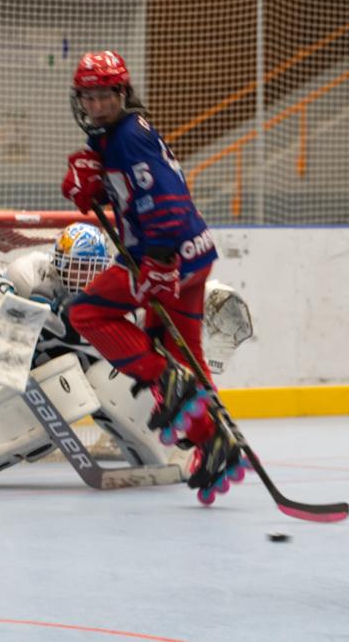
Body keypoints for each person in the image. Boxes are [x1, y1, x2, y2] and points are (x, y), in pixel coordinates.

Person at [59, 50, 239, 500]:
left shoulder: (127, 138)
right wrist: (95, 183)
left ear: (123, 93)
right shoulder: (120, 134)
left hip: (165, 258)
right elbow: (133, 190)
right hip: (191, 255)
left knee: (86, 314)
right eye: (89, 98)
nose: (97, 105)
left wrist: (159, 259)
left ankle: (165, 376)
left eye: (106, 95)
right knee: (181, 350)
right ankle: (216, 441)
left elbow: (166, 195)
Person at [0, 222, 253, 479]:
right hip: (25, 367)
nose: (85, 276)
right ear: (59, 262)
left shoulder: (113, 294)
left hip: (80, 375)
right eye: (78, 267)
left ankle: (185, 444)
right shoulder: (29, 273)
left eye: (91, 268)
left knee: (107, 383)